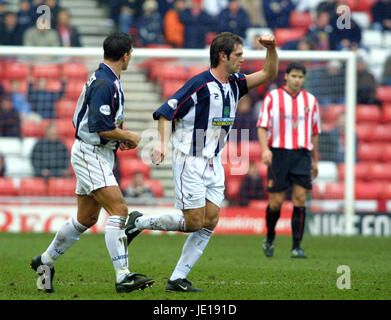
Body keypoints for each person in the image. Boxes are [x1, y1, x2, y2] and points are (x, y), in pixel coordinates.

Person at [125, 31, 278, 292]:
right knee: (194, 222)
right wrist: (162, 143)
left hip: (213, 162)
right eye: (238, 55)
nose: (242, 59)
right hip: (190, 160)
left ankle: (177, 279)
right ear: (223, 56)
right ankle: (138, 222)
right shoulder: (199, 85)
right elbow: (166, 112)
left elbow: (268, 74)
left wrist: (271, 48)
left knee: (211, 221)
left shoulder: (235, 84)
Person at [30, 32, 154, 294]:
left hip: (97, 152)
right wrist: (128, 135)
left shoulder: (106, 79)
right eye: (131, 53)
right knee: (119, 211)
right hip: (91, 152)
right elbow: (98, 126)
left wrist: (119, 138)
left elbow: (95, 122)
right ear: (126, 55)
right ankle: (123, 277)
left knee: (86, 218)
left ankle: (45, 261)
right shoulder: (105, 83)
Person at [256, 62, 321, 259]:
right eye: (294, 76)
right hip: (278, 154)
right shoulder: (272, 97)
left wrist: (315, 160)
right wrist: (265, 149)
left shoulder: (311, 100)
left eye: (300, 77)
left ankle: (296, 247)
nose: (297, 80)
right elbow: (262, 126)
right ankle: (270, 237)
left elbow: (315, 132)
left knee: (300, 198)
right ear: (286, 76)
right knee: (276, 202)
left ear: (304, 78)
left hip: (301, 154)